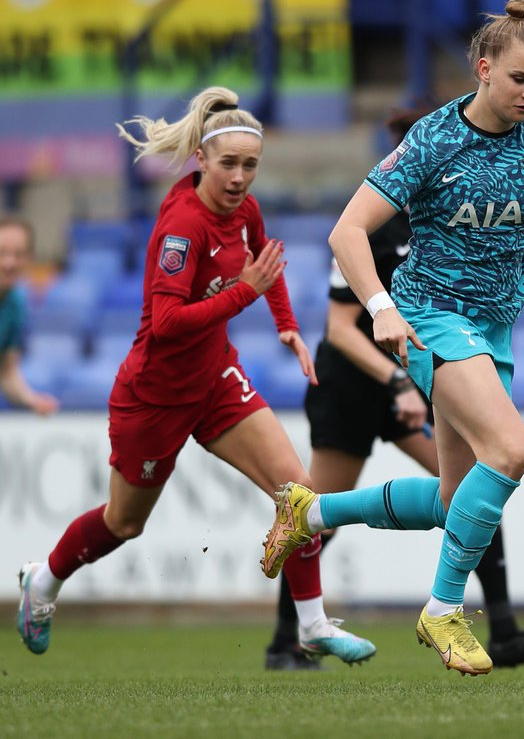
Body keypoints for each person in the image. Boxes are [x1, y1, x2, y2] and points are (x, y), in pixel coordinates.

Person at [260, 0, 524, 676]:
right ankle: (443, 608)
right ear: (482, 67)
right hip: (429, 318)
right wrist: (381, 306)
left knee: (455, 502)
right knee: (511, 450)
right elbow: (346, 230)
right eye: (519, 79)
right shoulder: (433, 140)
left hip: (493, 326)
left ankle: (312, 512)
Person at [16, 86, 375, 666]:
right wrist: (243, 295)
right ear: (201, 160)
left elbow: (265, 265)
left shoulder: (245, 211)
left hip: (214, 380)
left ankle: (310, 626)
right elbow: (165, 324)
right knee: (123, 524)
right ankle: (47, 579)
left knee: (300, 497)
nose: (239, 178)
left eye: (250, 166)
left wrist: (285, 324)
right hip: (154, 396)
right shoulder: (184, 227)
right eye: (228, 164)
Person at [265, 107, 524, 671]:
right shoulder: (378, 224)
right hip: (357, 384)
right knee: (501, 457)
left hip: (418, 368)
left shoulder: (452, 221)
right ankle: (288, 636)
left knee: (462, 494)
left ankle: (500, 626)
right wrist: (395, 374)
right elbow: (339, 328)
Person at [0, 215, 59, 416]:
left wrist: (32, 400)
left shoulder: (15, 305)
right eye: (2, 253)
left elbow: (6, 372)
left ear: (29, 258)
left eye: (18, 254)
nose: (9, 262)